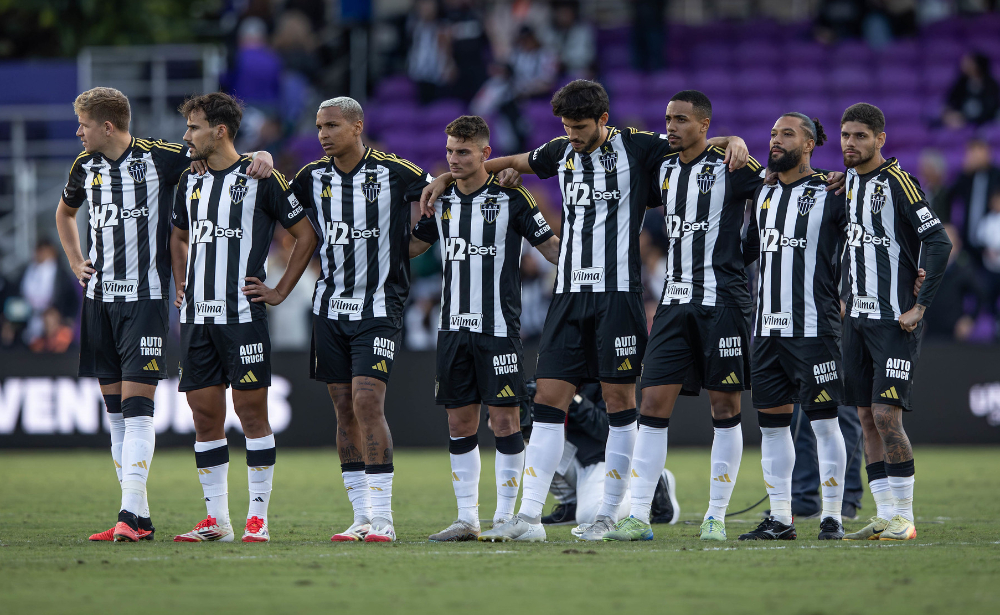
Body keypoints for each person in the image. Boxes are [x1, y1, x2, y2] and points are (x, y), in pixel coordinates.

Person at [423, 79, 749, 542]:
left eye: (579, 127)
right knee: (548, 401)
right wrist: (445, 176)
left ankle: (610, 515)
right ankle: (530, 518)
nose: (572, 135)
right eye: (566, 127)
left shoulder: (638, 148)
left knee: (620, 406)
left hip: (618, 297)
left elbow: (691, 140)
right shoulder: (561, 150)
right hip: (570, 296)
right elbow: (511, 162)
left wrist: (731, 140)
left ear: (603, 120)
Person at [53, 86, 274, 543]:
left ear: (107, 126)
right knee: (116, 414)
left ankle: (129, 515)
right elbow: (64, 213)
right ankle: (140, 516)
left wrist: (264, 153)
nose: (78, 132)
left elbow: (222, 153)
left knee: (137, 411)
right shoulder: (84, 166)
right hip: (98, 301)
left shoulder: (161, 158)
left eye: (83, 124)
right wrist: (76, 262)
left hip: (146, 300)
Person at [605, 91, 766, 543]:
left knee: (725, 406)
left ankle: (715, 515)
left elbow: (781, 193)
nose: (671, 127)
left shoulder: (734, 168)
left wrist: (736, 143)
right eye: (667, 119)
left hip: (725, 302)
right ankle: (638, 515)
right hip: (674, 302)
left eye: (680, 120)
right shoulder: (666, 169)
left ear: (704, 124)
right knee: (652, 403)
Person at [170, 92, 316, 543]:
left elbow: (306, 234)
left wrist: (279, 290)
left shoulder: (261, 178)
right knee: (204, 416)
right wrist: (181, 282)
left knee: (252, 414)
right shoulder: (188, 179)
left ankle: (257, 518)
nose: (186, 135)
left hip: (242, 316)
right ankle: (217, 520)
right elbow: (177, 237)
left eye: (193, 127)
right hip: (197, 317)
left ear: (220, 131)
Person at [408, 115, 559, 542]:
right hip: (452, 328)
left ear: (485, 154)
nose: (454, 159)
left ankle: (506, 517)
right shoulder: (441, 199)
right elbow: (416, 244)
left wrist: (582, 268)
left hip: (499, 329)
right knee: (459, 424)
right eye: (450, 151)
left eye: (463, 152)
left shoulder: (512, 198)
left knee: (507, 421)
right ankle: (466, 519)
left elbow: (549, 247)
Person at [291, 97, 433, 543]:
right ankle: (361, 517)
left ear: (357, 127)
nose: (323, 135)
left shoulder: (394, 171)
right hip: (329, 309)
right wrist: (259, 158)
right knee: (343, 409)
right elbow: (274, 202)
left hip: (379, 308)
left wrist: (415, 244)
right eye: (318, 127)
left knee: (367, 402)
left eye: (332, 125)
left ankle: (384, 518)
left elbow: (442, 192)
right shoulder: (311, 177)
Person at [840, 102, 952, 541]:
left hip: (894, 323)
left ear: (880, 140)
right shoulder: (846, 182)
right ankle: (886, 514)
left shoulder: (900, 183)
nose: (851, 143)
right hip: (856, 321)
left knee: (887, 416)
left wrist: (920, 305)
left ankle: (904, 516)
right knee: (866, 416)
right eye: (846, 135)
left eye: (860, 136)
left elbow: (938, 242)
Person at [737, 113, 849, 541]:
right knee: (771, 425)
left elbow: (862, 245)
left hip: (815, 326)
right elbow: (748, 250)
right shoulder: (762, 193)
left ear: (809, 145)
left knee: (824, 423)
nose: (776, 140)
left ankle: (833, 516)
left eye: (787, 134)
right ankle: (781, 518)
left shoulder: (832, 191)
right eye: (772, 133)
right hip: (766, 328)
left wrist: (849, 296)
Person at [540, 382, 679, 529]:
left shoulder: (602, 378)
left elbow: (611, 430)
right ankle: (571, 503)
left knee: (589, 515)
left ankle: (650, 488)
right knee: (533, 448)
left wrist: (575, 400)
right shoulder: (552, 376)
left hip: (601, 458)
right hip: (574, 457)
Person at [943, 52, 1000, 129]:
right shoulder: (961, 82)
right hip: (961, 120)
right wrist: (951, 114)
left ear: (977, 65)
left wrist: (967, 118)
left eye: (969, 62)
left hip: (984, 121)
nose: (964, 65)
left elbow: (991, 108)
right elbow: (951, 101)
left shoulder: (991, 84)